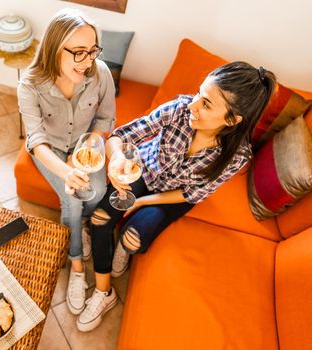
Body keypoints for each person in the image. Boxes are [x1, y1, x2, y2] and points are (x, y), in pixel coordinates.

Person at [76, 61, 277, 332]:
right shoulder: (180, 109)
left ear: (232, 120)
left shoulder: (237, 157)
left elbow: (190, 193)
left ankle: (122, 248)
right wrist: (118, 160)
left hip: (174, 196)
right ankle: (104, 293)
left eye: (206, 104)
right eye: (198, 94)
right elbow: (120, 136)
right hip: (141, 171)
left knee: (133, 239)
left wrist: (139, 203)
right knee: (100, 219)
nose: (193, 105)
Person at [17, 8, 116, 316]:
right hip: (51, 151)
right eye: (79, 53)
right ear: (55, 48)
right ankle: (75, 265)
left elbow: (105, 118)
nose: (88, 62)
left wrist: (87, 148)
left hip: (85, 145)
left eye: (93, 51)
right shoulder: (29, 85)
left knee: (97, 192)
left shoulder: (100, 74)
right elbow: (35, 139)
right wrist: (66, 171)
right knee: (71, 200)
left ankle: (81, 228)